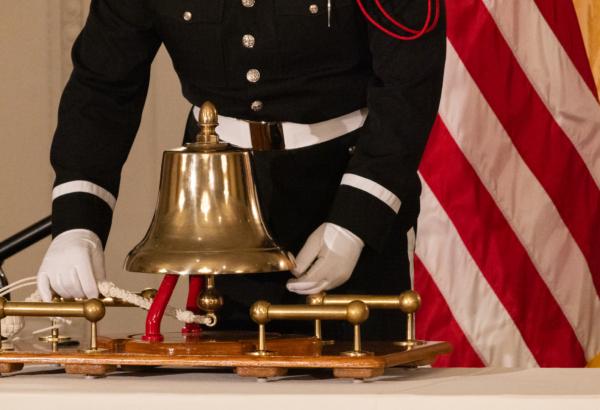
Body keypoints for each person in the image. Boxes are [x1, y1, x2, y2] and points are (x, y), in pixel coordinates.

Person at [37, 0, 446, 341]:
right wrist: (78, 225)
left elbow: (407, 84)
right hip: (216, 203)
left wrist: (355, 221)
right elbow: (103, 88)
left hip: (343, 178)